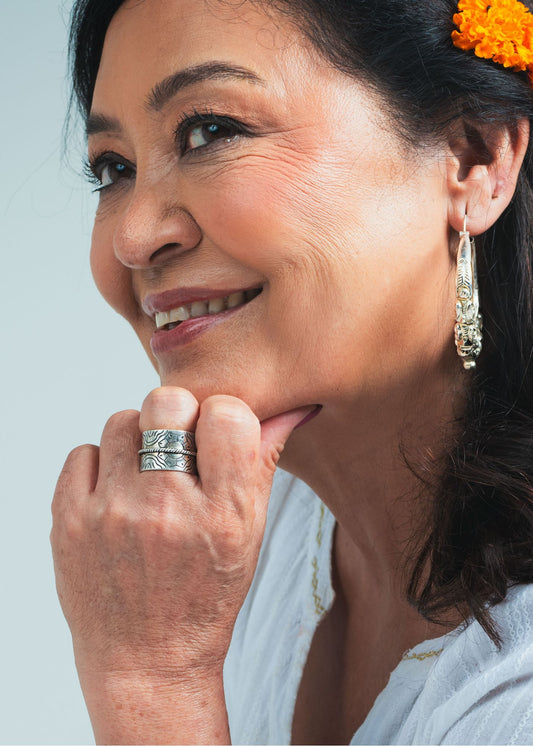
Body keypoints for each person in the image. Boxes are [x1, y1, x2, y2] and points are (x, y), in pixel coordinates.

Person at [51, 0, 533, 742]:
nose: (134, 237)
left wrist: (154, 684)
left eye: (211, 130)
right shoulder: (227, 533)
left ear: (472, 159)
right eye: (114, 168)